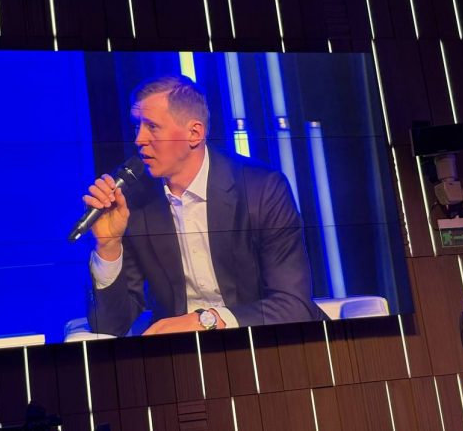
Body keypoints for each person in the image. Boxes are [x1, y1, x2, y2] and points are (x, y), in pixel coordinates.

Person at [83, 75, 323, 337]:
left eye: (152, 127)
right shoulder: (134, 201)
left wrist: (206, 321)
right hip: (181, 351)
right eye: (137, 126)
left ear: (194, 134)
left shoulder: (262, 189)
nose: (139, 139)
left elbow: (294, 305)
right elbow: (109, 327)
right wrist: (109, 246)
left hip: (262, 339)